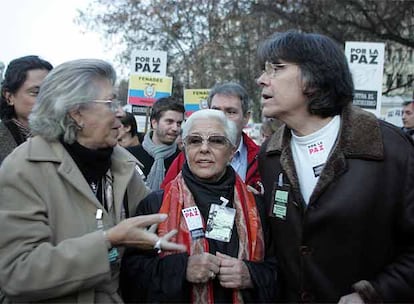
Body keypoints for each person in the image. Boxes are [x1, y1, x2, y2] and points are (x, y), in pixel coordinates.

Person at [0, 59, 185, 303]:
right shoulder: (24, 168)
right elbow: (17, 272)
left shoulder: (123, 165)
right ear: (76, 113)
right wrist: (108, 241)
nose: (120, 111)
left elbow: (155, 224)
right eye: (110, 103)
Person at [256, 30, 414, 303]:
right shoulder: (269, 156)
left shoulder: (391, 150)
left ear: (314, 79)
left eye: (277, 69)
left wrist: (373, 294)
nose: (261, 80)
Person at [120, 109, 277, 303]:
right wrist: (180, 270)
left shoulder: (257, 207)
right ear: (184, 147)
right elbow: (131, 276)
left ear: (231, 151)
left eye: (216, 141)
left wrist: (252, 275)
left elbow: (282, 272)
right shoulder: (156, 205)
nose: (204, 148)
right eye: (195, 141)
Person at [161, 82, 262, 193]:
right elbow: (166, 196)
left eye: (231, 112)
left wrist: (255, 202)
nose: (222, 117)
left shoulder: (261, 159)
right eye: (215, 111)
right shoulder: (187, 156)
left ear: (246, 117)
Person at [0, 55, 52, 164]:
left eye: (50, 91)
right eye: (36, 93)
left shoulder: (70, 136)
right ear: (9, 97)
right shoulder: (3, 139)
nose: (46, 99)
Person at [134, 96, 184, 190]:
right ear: (154, 123)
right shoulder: (131, 156)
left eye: (179, 123)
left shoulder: (183, 161)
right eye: (169, 122)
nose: (175, 128)